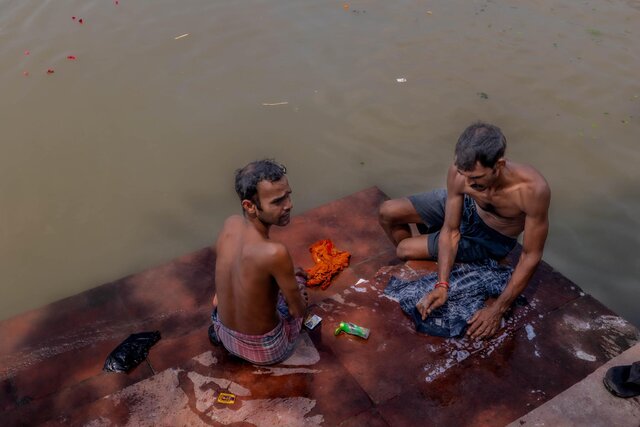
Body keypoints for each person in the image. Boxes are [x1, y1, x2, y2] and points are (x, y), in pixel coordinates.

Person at [379, 122, 550, 340]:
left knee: (404, 249)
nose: (468, 182)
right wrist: (442, 285)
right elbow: (451, 230)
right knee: (387, 211)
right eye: (463, 174)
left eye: (477, 178)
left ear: (499, 164)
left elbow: (531, 255)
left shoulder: (532, 190)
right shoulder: (461, 174)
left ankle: (425, 253)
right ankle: (423, 259)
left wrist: (497, 309)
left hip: (491, 236)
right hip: (468, 207)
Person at [210, 159, 308, 365]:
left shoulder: (230, 224)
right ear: (250, 206)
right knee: (299, 282)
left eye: (288, 195)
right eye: (278, 201)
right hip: (266, 350)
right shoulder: (275, 252)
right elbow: (297, 311)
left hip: (224, 333)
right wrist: (297, 289)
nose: (289, 205)